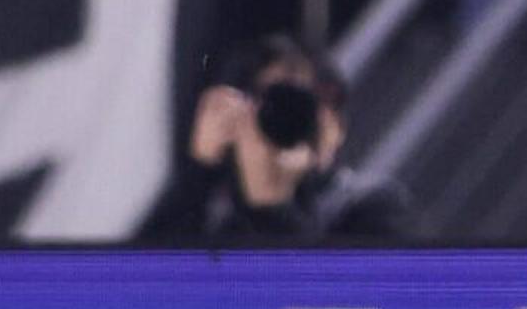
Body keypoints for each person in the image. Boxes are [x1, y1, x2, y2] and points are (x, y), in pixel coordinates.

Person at [142, 36, 415, 243]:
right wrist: (200, 169)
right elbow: (141, 294)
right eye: (271, 105)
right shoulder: (218, 215)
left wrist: (271, 205)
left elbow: (341, 306)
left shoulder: (372, 206)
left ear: (336, 126)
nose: (285, 122)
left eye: (299, 107)